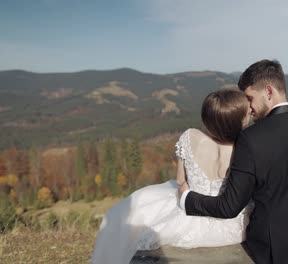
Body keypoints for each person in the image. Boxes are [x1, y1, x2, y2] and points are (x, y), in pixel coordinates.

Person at [179, 59, 288, 264]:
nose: (248, 108)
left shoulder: (250, 139)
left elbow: (229, 207)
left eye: (250, 98)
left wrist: (186, 199)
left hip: (274, 249)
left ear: (269, 92)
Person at [91, 89, 253, 264]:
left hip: (190, 215)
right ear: (239, 121)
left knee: (140, 205)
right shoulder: (246, 149)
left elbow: (180, 181)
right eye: (247, 113)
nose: (251, 112)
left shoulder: (191, 137)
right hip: (230, 227)